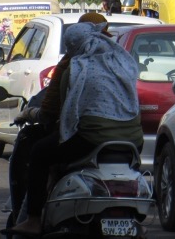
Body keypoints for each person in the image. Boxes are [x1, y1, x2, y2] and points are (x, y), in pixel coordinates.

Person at [9, 18, 142, 236]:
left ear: (74, 46)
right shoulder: (122, 63)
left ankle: (33, 220)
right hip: (133, 140)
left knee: (40, 152)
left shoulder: (75, 68)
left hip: (92, 139)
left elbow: (63, 113)